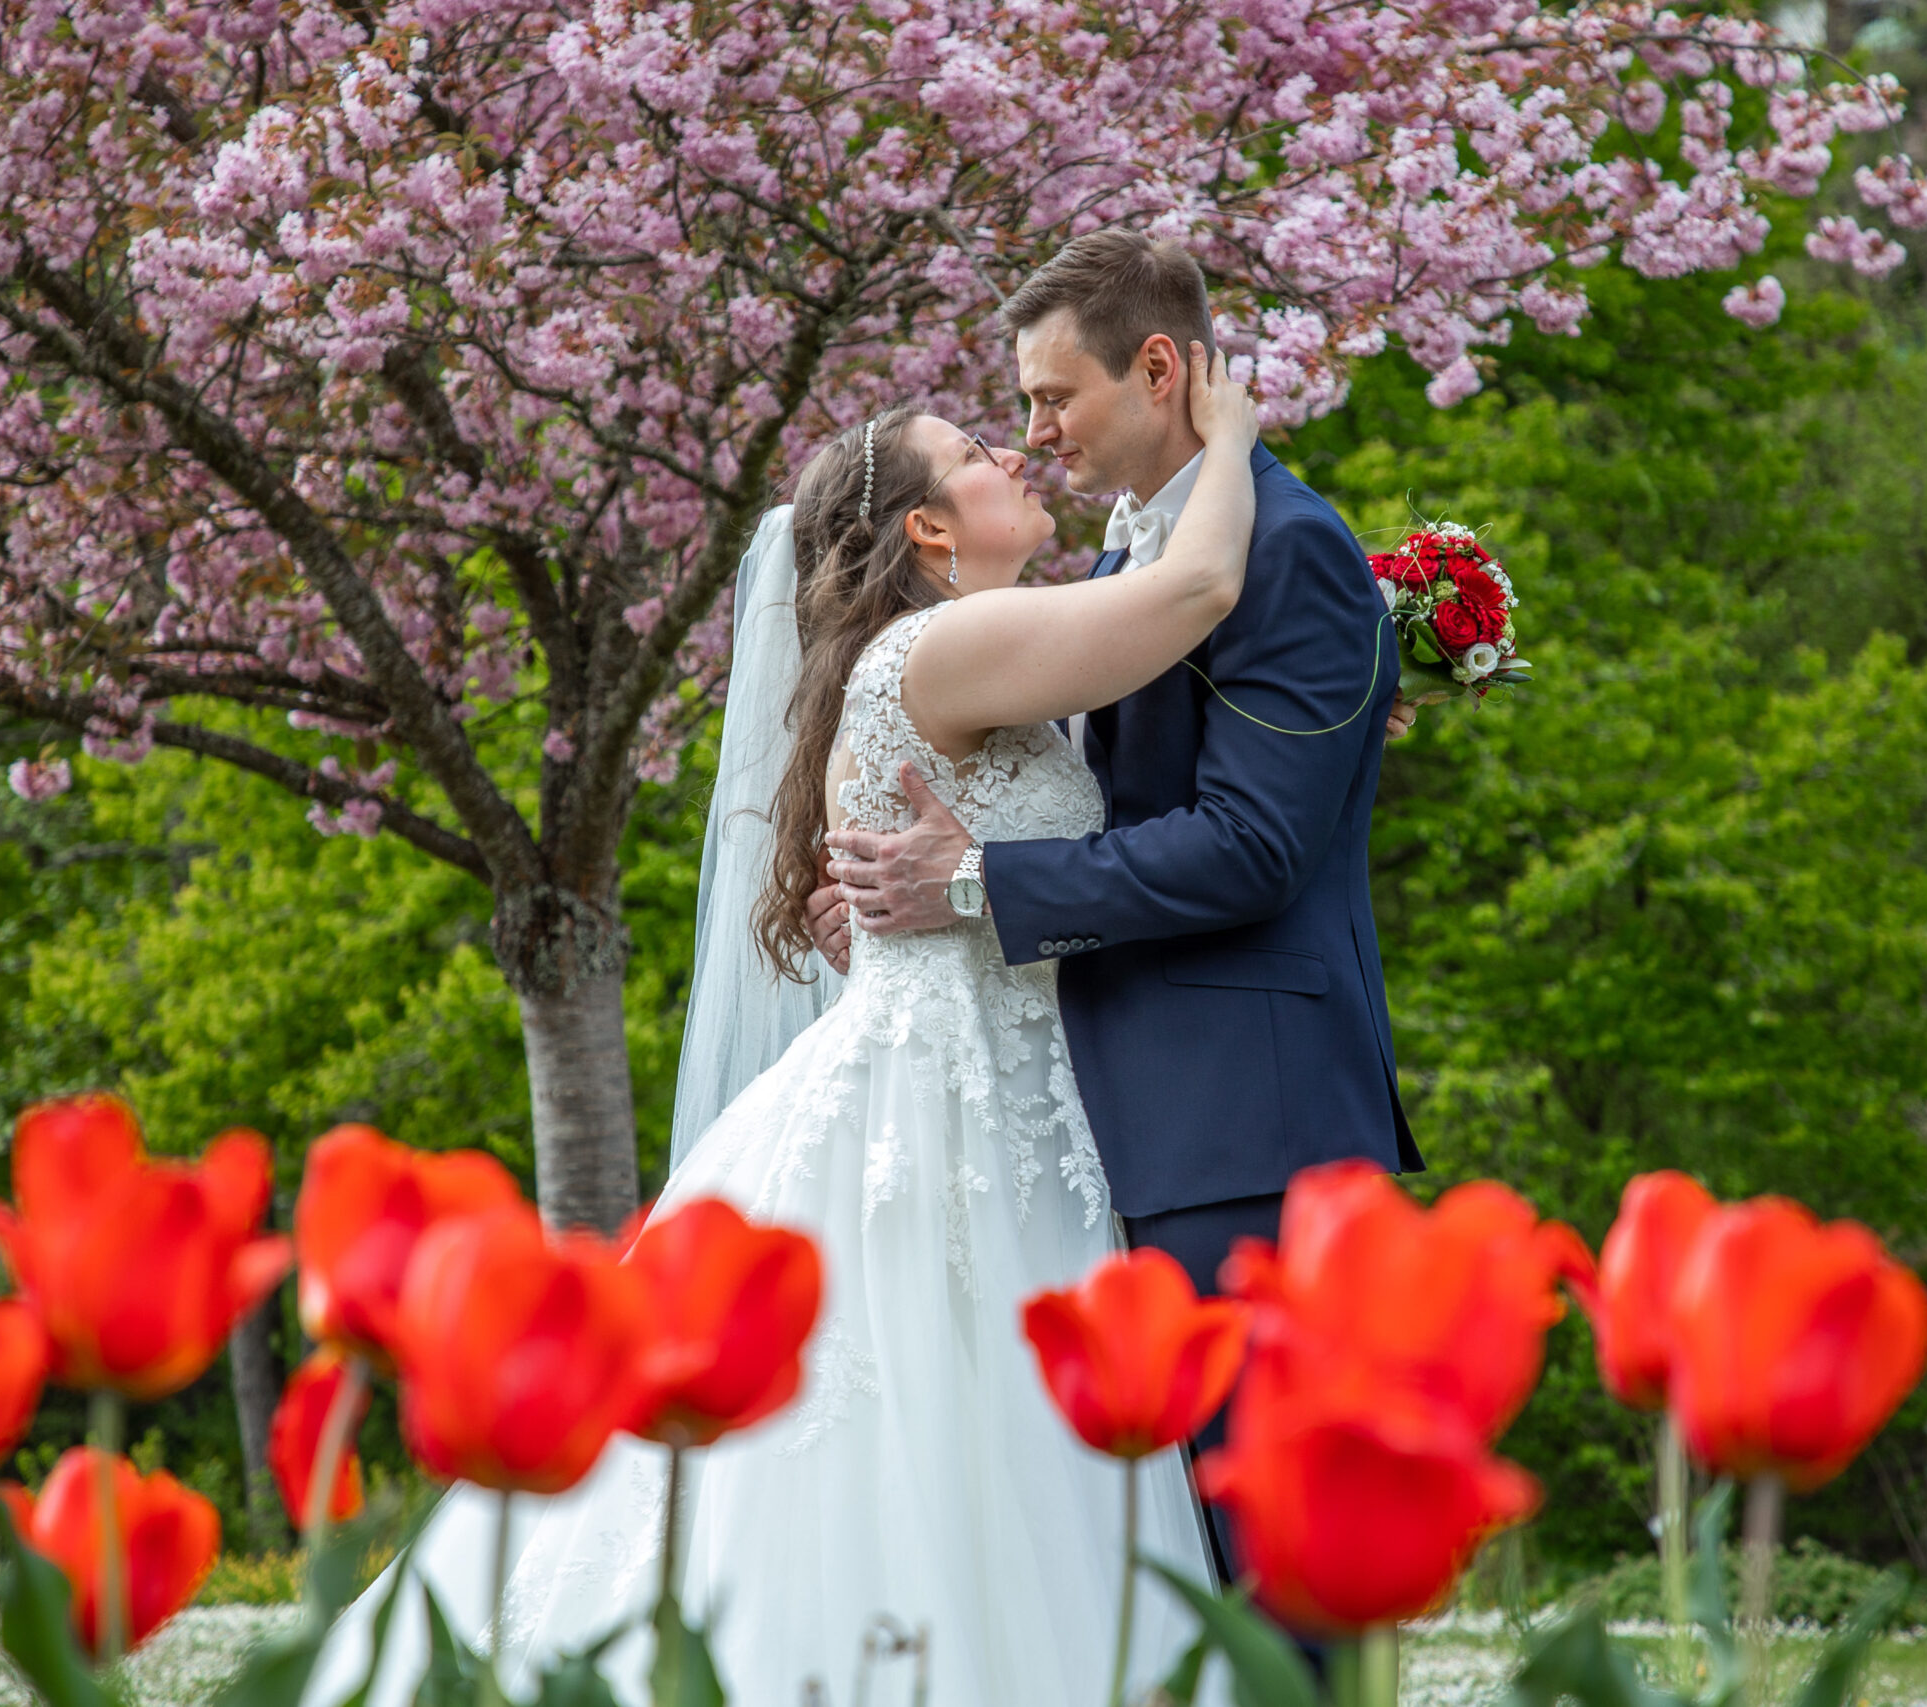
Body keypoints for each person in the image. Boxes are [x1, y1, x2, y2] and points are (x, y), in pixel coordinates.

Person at [306, 344, 1263, 1707]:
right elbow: (1199, 589)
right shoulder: (944, 641)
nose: (1013, 453)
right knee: (939, 1449)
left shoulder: (950, 648)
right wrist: (1226, 442)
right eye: (981, 457)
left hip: (985, 1091)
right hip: (945, 1119)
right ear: (930, 528)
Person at [815, 229, 1424, 1584]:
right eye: (1013, 417)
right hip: (1113, 1126)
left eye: (1051, 397)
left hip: (1243, 1131)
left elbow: (1253, 848)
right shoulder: (1115, 581)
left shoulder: (1295, 555)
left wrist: (973, 880)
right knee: (1167, 1567)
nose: (1031, 435)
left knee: (1272, 1567)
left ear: (1160, 370)